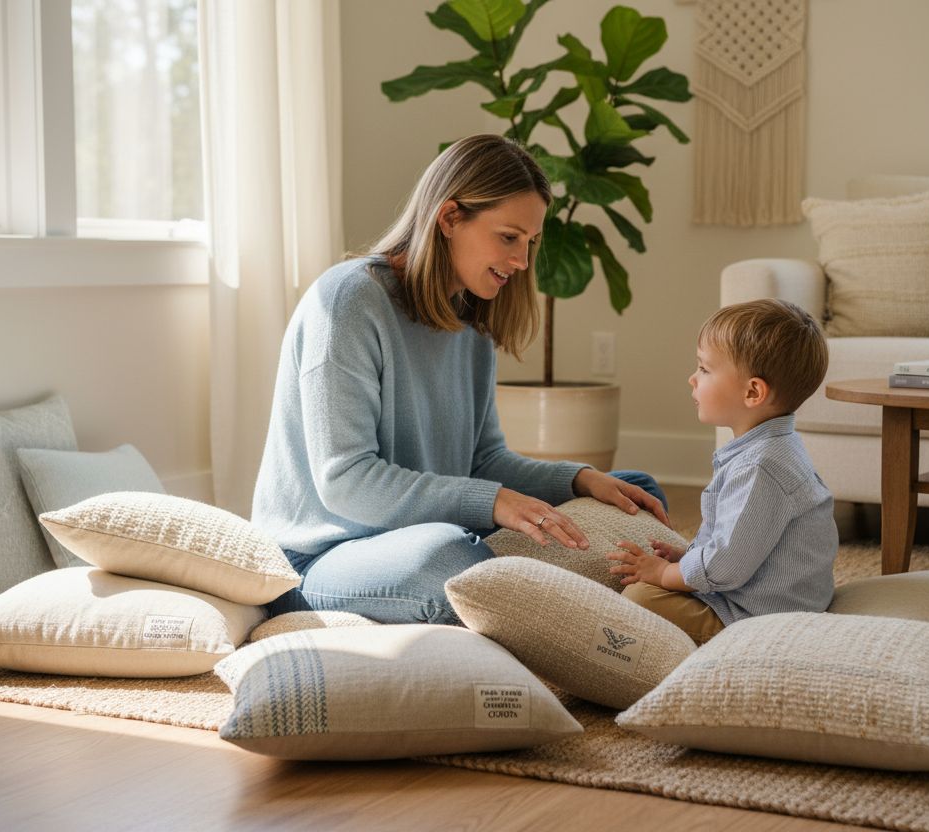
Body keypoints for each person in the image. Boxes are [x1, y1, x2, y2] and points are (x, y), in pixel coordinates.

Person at [254, 134, 668, 625]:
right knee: (452, 557)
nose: (521, 261)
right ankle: (587, 616)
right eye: (509, 237)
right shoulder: (346, 303)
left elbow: (484, 460)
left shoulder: (468, 317)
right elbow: (345, 483)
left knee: (632, 491)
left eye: (530, 243)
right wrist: (492, 502)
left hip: (425, 534)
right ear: (450, 218)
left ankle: (588, 605)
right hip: (323, 560)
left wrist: (577, 478)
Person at [606, 299, 838, 644]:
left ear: (753, 392)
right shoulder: (770, 449)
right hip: (755, 595)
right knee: (658, 579)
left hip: (761, 621)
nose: (692, 379)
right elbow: (744, 542)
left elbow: (726, 566)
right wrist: (687, 558)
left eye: (704, 369)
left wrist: (665, 573)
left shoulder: (760, 467)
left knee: (641, 599)